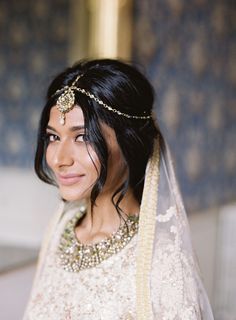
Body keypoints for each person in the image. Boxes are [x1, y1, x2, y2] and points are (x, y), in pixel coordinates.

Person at [23, 59, 214, 319]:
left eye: (83, 137)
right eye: (53, 137)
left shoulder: (161, 259)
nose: (59, 159)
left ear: (129, 142)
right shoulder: (61, 230)